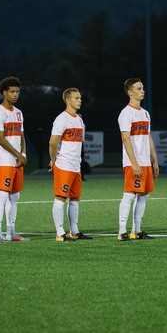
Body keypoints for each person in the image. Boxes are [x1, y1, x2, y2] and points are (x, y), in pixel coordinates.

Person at [117, 78, 160, 241]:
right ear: (130, 92)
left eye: (142, 88)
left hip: (145, 162)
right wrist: (134, 162)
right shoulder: (126, 113)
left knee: (143, 195)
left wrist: (154, 160)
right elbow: (126, 139)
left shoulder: (145, 113)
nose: (142, 91)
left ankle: (136, 230)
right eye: (138, 88)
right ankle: (122, 232)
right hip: (132, 163)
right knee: (129, 195)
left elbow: (148, 137)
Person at [49, 88, 91, 241]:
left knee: (75, 199)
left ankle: (74, 231)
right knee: (61, 197)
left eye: (80, 98)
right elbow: (53, 142)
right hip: (64, 164)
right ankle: (60, 233)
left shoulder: (79, 120)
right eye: (76, 98)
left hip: (75, 165)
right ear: (68, 100)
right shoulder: (62, 118)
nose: (80, 100)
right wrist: (53, 160)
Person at [0, 76, 28, 243]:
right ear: (4, 93)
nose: (15, 94)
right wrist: (18, 155)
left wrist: (24, 155)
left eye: (17, 91)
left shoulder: (19, 113)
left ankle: (11, 232)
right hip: (5, 161)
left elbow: (21, 136)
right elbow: (0, 139)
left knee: (15, 197)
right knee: (2, 196)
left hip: (17, 162)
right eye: (12, 91)